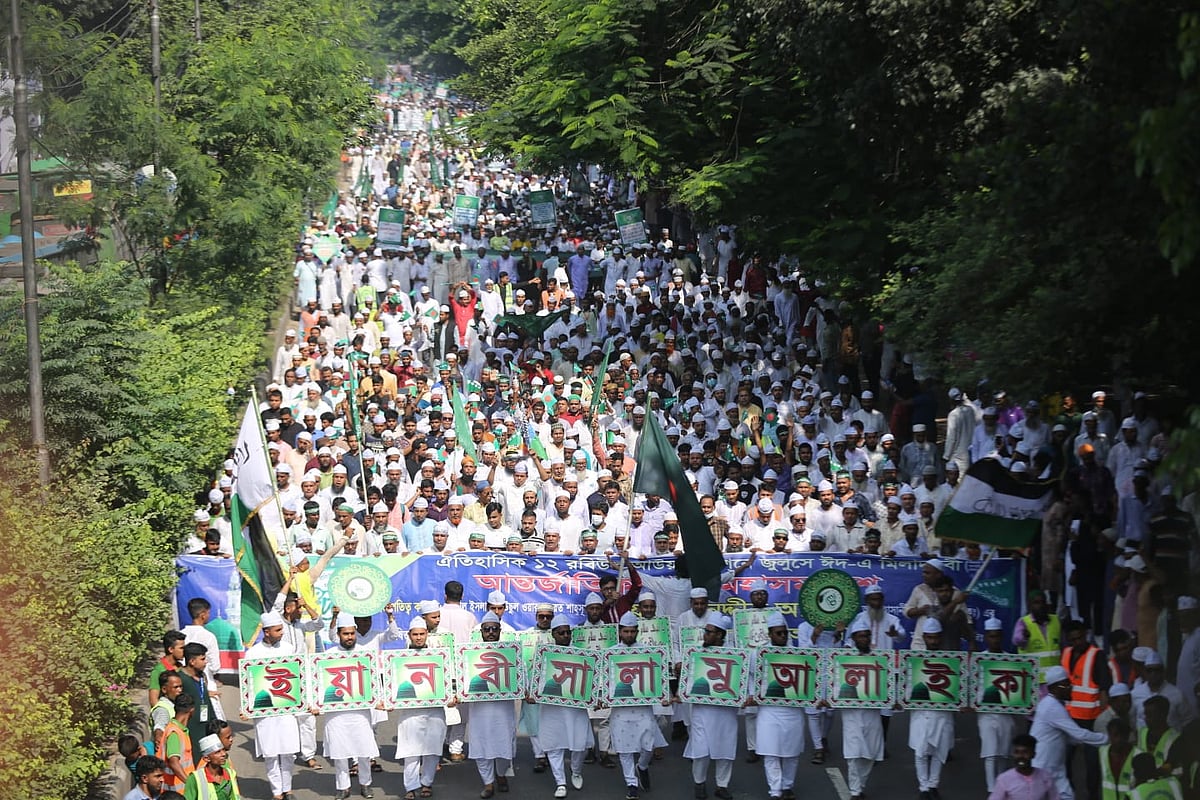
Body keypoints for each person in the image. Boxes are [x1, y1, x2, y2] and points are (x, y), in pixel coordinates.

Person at [609, 611, 668, 800]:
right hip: (620, 711)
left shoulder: (648, 653)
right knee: (624, 749)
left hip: (643, 709)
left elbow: (659, 679)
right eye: (625, 631)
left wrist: (664, 695)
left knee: (648, 745)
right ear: (620, 632)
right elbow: (603, 681)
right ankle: (631, 784)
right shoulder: (610, 654)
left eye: (632, 631)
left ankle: (642, 767)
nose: (629, 635)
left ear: (637, 631)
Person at [320, 611, 379, 799]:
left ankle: (365, 784)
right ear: (338, 634)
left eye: (352, 633)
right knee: (339, 752)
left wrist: (380, 700)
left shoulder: (365, 655)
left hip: (360, 713)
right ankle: (343, 787)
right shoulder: (328, 656)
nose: (349, 637)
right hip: (336, 714)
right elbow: (319, 683)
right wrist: (316, 704)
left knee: (364, 750)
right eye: (345, 634)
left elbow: (374, 682)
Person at [243, 611, 301, 800]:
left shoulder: (288, 649)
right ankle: (277, 792)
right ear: (266, 632)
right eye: (277, 630)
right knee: (270, 753)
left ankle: (288, 789)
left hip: (286, 709)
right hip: (265, 713)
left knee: (288, 751)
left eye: (281, 629)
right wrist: (245, 707)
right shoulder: (253, 654)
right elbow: (248, 683)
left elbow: (298, 676)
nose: (281, 633)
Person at [537, 614, 595, 798]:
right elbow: (536, 680)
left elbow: (591, 681)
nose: (565, 636)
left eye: (567, 632)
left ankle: (576, 771)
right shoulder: (544, 655)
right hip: (552, 709)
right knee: (554, 745)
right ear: (553, 634)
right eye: (561, 633)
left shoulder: (581, 655)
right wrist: (533, 693)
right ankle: (560, 782)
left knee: (579, 745)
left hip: (575, 709)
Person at [1030, 665, 1108, 800]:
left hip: (1055, 768)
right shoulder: (1052, 707)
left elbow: (1070, 737)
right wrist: (1107, 739)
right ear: (1054, 688)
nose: (1071, 688)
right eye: (1066, 685)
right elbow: (1079, 734)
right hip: (1044, 768)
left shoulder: (1055, 704)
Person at [684, 614, 739, 800]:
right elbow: (687, 680)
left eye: (709, 632)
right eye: (705, 631)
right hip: (702, 710)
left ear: (720, 635)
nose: (705, 635)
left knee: (725, 749)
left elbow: (742, 680)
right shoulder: (696, 653)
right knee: (701, 750)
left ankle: (722, 785)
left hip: (726, 712)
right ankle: (699, 783)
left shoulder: (735, 656)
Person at [393, 616, 447, 800]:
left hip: (434, 710)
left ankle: (426, 783)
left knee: (432, 749)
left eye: (421, 634)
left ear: (427, 634)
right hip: (410, 712)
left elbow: (448, 680)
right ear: (409, 635)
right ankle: (410, 787)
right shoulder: (399, 658)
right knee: (410, 752)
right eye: (415, 634)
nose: (418, 638)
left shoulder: (439, 656)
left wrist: (452, 696)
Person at [470, 612, 518, 798]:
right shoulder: (470, 654)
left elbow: (520, 677)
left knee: (504, 743)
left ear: (500, 630)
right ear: (481, 631)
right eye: (487, 629)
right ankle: (488, 783)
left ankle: (501, 774)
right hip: (479, 711)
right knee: (481, 745)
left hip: (503, 710)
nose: (490, 632)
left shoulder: (511, 653)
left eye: (494, 629)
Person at [908, 618, 956, 800]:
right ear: (924, 638)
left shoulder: (951, 660)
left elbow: (958, 688)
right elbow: (906, 685)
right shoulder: (914, 660)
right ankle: (923, 787)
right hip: (921, 714)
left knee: (939, 751)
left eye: (936, 637)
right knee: (920, 751)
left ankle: (933, 785)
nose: (933, 641)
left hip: (943, 714)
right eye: (930, 637)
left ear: (940, 637)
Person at [838, 618, 885, 800]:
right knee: (853, 752)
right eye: (860, 636)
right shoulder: (843, 658)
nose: (864, 639)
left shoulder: (880, 658)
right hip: (851, 712)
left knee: (871, 753)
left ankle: (861, 785)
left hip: (872, 712)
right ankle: (855, 791)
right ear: (854, 638)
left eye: (867, 636)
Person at [980, 617, 1022, 793]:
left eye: (997, 636)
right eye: (991, 636)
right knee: (990, 753)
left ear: (1002, 636)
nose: (994, 640)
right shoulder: (979, 661)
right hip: (986, 715)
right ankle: (992, 790)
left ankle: (1001, 787)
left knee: (1004, 753)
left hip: (1006, 714)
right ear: (986, 637)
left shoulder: (1010, 660)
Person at [987, 733, 1060, 800]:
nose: (1020, 756)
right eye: (1017, 752)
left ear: (1033, 754)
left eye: (1025, 752)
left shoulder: (1045, 777)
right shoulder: (1004, 779)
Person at [157, 693, 195, 793]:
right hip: (175, 792)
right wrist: (191, 784)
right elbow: (174, 762)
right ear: (192, 710)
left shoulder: (177, 730)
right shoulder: (174, 733)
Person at [183, 734, 241, 800]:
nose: (223, 754)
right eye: (217, 752)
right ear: (207, 758)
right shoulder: (195, 778)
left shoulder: (230, 773)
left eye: (223, 750)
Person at [1099, 718, 1139, 800]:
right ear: (1109, 735)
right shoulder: (1102, 752)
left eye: (1123, 735)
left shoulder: (1138, 755)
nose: (1119, 739)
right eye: (1115, 735)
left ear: (1128, 736)